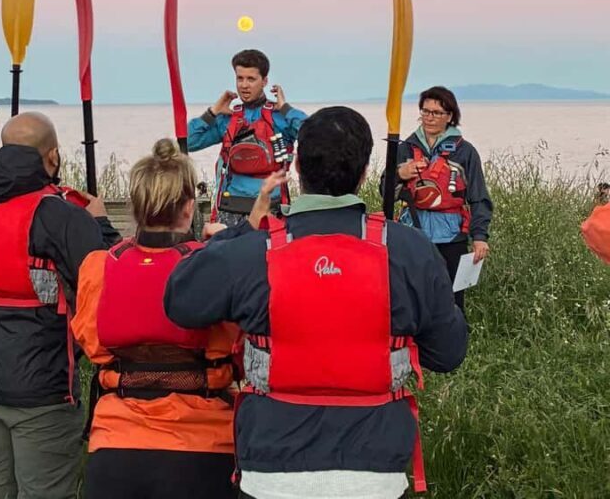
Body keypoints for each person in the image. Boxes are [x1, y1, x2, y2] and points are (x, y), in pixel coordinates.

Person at [165, 106, 468, 499]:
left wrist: (242, 230)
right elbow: (447, 353)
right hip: (376, 477)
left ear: (297, 167)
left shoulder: (253, 251)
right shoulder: (411, 251)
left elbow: (180, 300)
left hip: (269, 475)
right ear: (362, 174)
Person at [0, 112, 120, 499]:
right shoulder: (60, 215)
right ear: (52, 156)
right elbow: (103, 281)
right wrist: (101, 224)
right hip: (43, 390)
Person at [73, 139, 238, 499]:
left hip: (116, 444)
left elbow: (91, 342)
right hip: (203, 446)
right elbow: (240, 349)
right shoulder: (217, 268)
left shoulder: (99, 266)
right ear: (189, 207)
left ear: (135, 207)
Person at [391, 86, 492, 312]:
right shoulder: (404, 149)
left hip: (451, 236)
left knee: (451, 299)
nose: (429, 117)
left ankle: (455, 341)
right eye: (425, 111)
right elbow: (385, 191)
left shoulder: (465, 152)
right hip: (412, 233)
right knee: (412, 295)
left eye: (436, 113)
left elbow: (479, 197)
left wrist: (479, 236)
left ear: (450, 116)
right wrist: (400, 174)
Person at [188, 49, 306, 225]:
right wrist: (213, 112)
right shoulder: (229, 118)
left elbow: (314, 135)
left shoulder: (279, 117)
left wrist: (286, 108)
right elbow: (188, 141)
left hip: (270, 209)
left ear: (264, 81)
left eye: (251, 79)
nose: (244, 85)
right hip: (230, 209)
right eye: (239, 78)